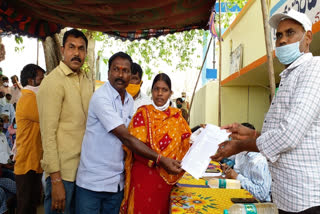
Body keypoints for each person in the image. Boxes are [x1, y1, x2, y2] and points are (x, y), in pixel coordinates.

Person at [212, 10, 320, 214]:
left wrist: (239, 146)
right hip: (286, 196)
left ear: (307, 37)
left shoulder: (314, 69)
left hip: (306, 199)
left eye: (290, 33)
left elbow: (288, 136)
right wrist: (252, 134)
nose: (282, 40)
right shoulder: (290, 75)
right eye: (278, 35)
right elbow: (281, 136)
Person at [75, 52, 183, 214]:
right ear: (108, 72)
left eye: (125, 71)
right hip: (93, 183)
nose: (120, 74)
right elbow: (126, 137)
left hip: (116, 183)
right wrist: (160, 159)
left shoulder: (129, 101)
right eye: (116, 69)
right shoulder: (101, 98)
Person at [37, 29, 93, 214]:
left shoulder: (86, 81)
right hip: (63, 175)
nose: (76, 53)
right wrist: (56, 180)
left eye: (81, 48)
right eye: (71, 47)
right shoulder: (53, 82)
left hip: (84, 173)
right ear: (62, 50)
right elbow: (48, 135)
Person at [121, 73, 191, 214]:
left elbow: (185, 146)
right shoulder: (142, 114)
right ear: (151, 91)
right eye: (156, 89)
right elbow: (134, 146)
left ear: (170, 93)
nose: (159, 94)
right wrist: (159, 159)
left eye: (164, 90)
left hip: (166, 180)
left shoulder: (177, 117)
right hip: (144, 177)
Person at [15, 64, 45, 214]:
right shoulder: (28, 98)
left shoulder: (33, 97)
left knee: (31, 204)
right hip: (26, 163)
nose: (44, 82)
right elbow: (48, 117)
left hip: (33, 161)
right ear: (31, 80)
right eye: (41, 79)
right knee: (25, 207)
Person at [221, 123, 271, 202]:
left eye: (239, 136)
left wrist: (237, 176)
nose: (234, 139)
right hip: (242, 195)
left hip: (258, 204)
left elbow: (262, 194)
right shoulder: (242, 153)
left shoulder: (260, 161)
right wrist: (230, 171)